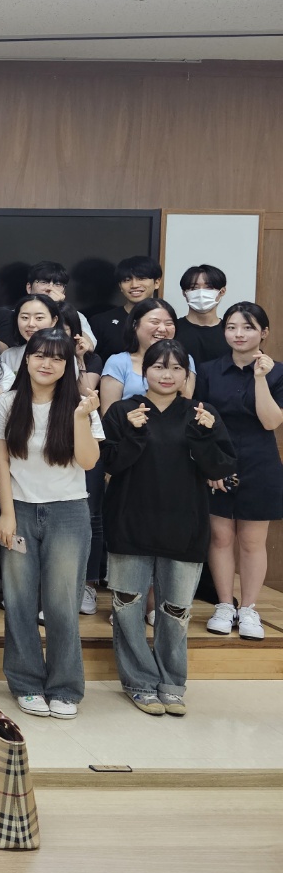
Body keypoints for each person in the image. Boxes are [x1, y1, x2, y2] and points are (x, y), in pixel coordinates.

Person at [101, 339, 235, 716]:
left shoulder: (201, 413)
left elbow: (220, 469)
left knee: (175, 612)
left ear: (186, 375)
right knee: (127, 609)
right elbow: (108, 465)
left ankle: (172, 684)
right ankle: (139, 683)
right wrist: (132, 433)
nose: (167, 374)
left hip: (184, 526)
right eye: (159, 366)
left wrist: (205, 435)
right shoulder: (123, 411)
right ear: (144, 371)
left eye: (177, 368)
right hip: (129, 524)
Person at [0, 328, 103, 720]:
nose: (47, 363)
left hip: (68, 513)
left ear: (67, 365)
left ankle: (65, 687)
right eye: (40, 355)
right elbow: (1, 462)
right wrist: (6, 513)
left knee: (61, 604)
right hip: (21, 510)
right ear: (26, 359)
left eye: (57, 358)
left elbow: (89, 462)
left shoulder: (80, 403)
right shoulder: (8, 403)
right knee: (19, 601)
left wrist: (80, 417)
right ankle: (25, 683)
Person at [196, 302, 283, 641]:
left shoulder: (278, 373)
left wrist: (260, 378)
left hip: (259, 462)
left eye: (247, 327)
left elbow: (271, 421)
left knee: (251, 540)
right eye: (232, 327)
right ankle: (223, 605)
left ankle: (248, 608)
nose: (239, 334)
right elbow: (199, 420)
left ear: (264, 332)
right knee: (220, 537)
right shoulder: (208, 370)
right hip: (218, 460)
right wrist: (210, 465)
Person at [99, 298, 195, 410]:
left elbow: (186, 403)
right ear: (135, 325)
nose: (162, 329)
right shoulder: (118, 362)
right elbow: (109, 414)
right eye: (154, 322)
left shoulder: (185, 359)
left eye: (169, 323)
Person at [90, 256, 163, 360]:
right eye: (127, 280)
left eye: (141, 278)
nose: (134, 285)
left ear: (157, 282)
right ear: (120, 286)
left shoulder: (167, 322)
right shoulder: (101, 322)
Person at [26, 260, 97, 351]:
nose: (50, 288)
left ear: (64, 291)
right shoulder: (17, 314)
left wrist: (57, 307)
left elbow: (89, 347)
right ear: (29, 287)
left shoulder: (75, 315)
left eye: (58, 284)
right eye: (43, 282)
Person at [175, 264, 231, 367]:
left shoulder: (231, 332)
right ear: (184, 293)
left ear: (222, 291)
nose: (201, 293)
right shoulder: (172, 329)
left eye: (209, 287)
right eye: (193, 288)